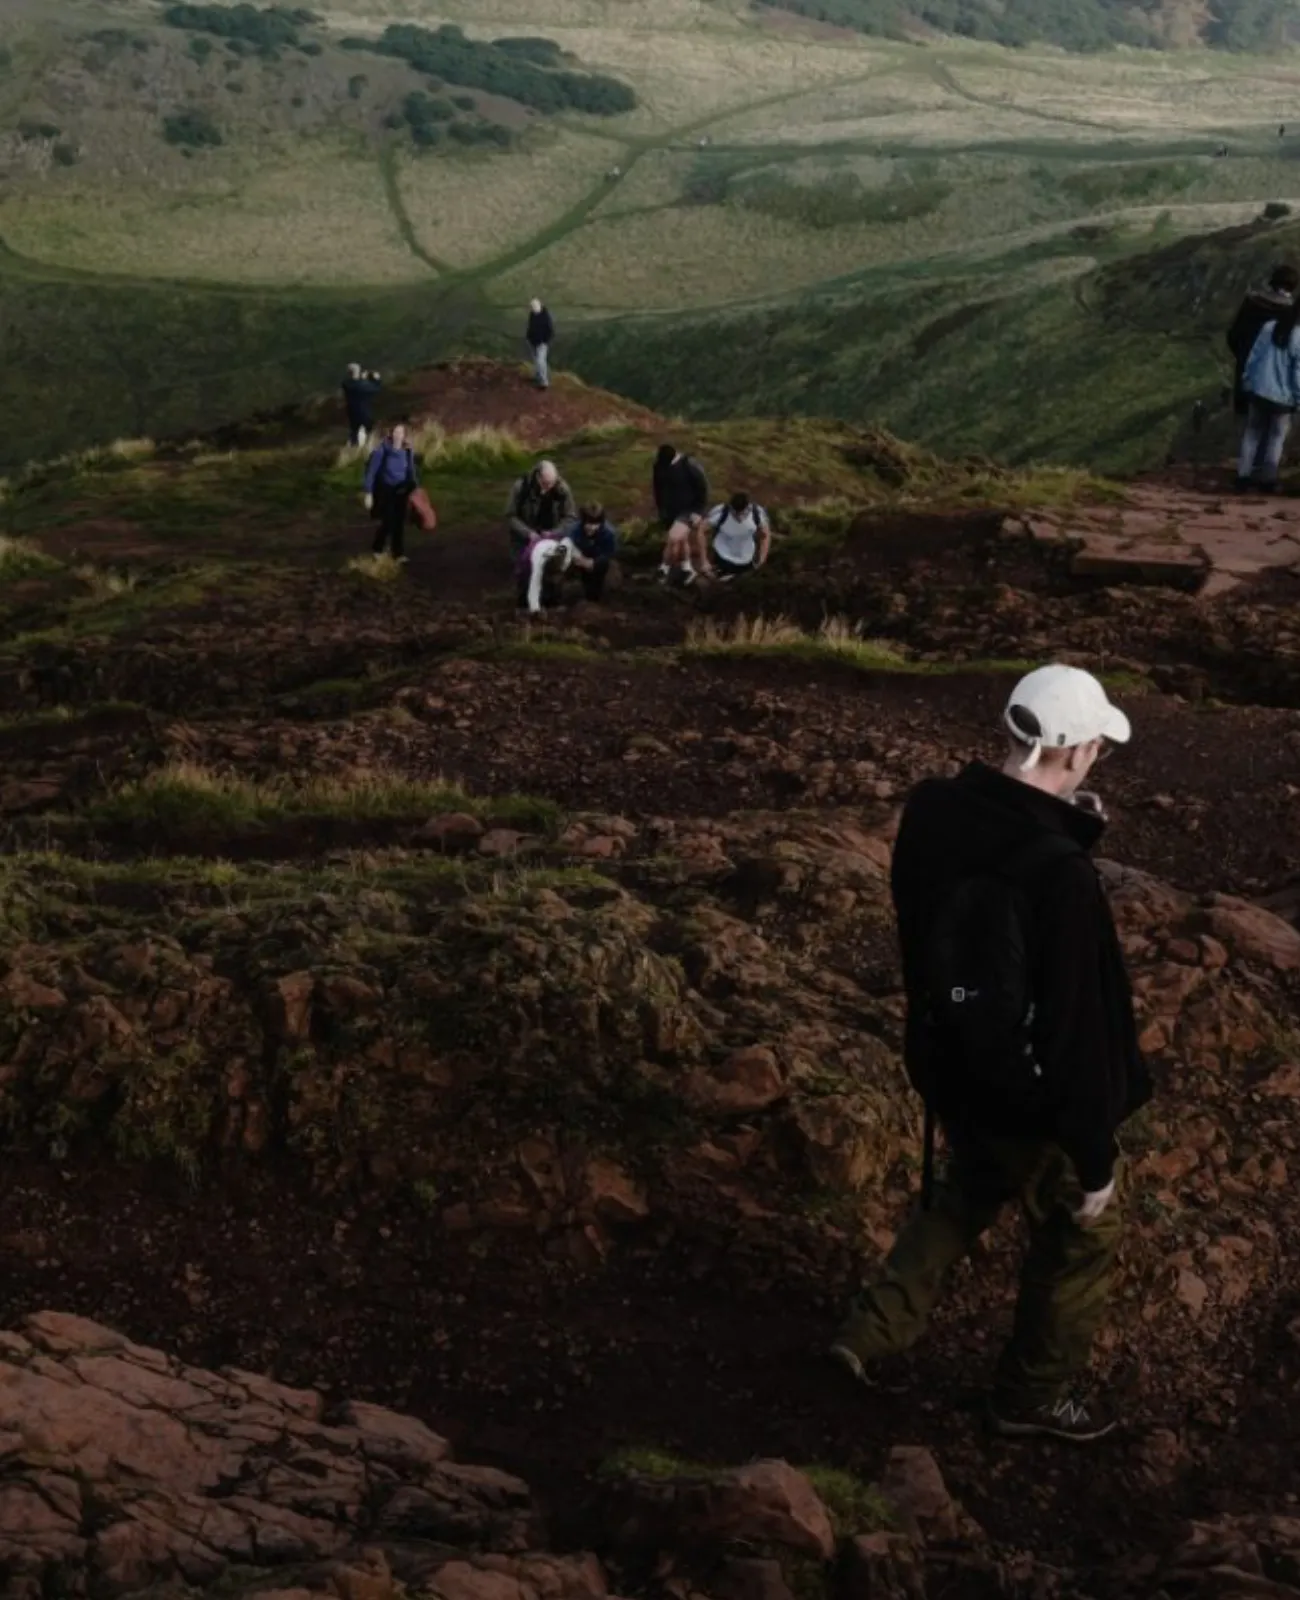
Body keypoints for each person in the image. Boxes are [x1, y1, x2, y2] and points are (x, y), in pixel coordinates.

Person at [830, 665, 1151, 1444]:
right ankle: (1031, 1398)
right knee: (1084, 1233)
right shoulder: (1061, 876)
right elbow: (1074, 1028)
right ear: (1074, 751)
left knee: (967, 1188)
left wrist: (1068, 822)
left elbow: (964, 897)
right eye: (1096, 747)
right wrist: (1095, 1159)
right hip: (1032, 1096)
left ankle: (865, 1337)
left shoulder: (935, 813)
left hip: (953, 1062)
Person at [1237, 301, 1300, 492]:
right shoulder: (1299, 337)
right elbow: (1298, 372)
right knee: (1276, 438)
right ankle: (1268, 479)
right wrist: (1298, 397)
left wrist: (1247, 379)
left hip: (1259, 389)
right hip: (1283, 397)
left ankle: (1244, 476)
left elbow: (1254, 355)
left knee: (1252, 434)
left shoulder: (1269, 327)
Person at [516, 503, 618, 614]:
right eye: (588, 524)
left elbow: (608, 553)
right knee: (531, 582)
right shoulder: (573, 531)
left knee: (598, 574)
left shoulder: (609, 534)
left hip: (593, 557)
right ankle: (537, 602)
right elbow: (534, 582)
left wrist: (590, 562)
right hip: (535, 559)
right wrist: (534, 609)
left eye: (595, 524)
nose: (591, 527)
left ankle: (592, 599)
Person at [1226, 262, 1298, 417]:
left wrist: (1243, 357)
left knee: (1249, 430)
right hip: (1278, 388)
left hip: (1246, 379)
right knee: (1274, 436)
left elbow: (1233, 336)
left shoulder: (1251, 303)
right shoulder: (1291, 313)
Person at [653, 443, 709, 585]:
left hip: (689, 510)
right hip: (670, 510)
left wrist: (698, 511)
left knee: (673, 537)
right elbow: (657, 488)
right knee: (682, 540)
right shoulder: (659, 465)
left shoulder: (689, 466)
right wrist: (661, 510)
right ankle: (687, 568)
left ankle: (664, 568)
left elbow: (703, 488)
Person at [363, 422, 419, 561]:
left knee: (399, 522)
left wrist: (415, 488)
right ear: (391, 433)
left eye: (400, 432)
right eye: (395, 432)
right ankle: (378, 549)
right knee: (388, 520)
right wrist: (368, 492)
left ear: (405, 435)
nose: (397, 435)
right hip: (385, 490)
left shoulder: (407, 451)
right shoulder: (383, 449)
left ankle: (397, 553)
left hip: (401, 490)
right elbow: (372, 471)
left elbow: (411, 471)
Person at [505, 459, 577, 557]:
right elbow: (511, 516)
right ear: (538, 477)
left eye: (552, 483)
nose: (549, 487)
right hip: (525, 536)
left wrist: (553, 533)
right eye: (545, 483)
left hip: (552, 535)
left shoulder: (562, 489)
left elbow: (570, 518)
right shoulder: (521, 487)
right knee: (525, 566)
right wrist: (528, 533)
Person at [702, 492, 771, 579]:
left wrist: (762, 558)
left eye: (743, 513)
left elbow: (765, 536)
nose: (739, 517)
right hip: (721, 556)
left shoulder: (758, 513)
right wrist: (704, 561)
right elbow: (701, 530)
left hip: (746, 558)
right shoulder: (720, 512)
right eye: (735, 513)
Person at [342, 363, 382, 448]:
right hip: (364, 412)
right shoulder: (362, 385)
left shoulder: (346, 384)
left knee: (354, 432)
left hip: (351, 412)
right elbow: (375, 389)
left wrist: (363, 379)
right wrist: (377, 380)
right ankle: (368, 448)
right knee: (369, 431)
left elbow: (357, 384)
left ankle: (354, 448)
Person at [526, 298, 555, 390]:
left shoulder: (544, 316)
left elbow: (549, 329)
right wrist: (529, 337)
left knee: (540, 361)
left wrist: (545, 340)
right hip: (534, 342)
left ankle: (544, 381)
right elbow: (530, 327)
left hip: (542, 343)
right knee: (537, 361)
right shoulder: (533, 315)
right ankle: (539, 377)